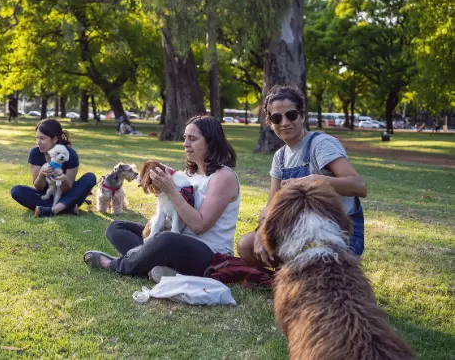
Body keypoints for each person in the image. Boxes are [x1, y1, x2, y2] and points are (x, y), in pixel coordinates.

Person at [83, 114, 241, 279]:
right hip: (176, 240)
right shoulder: (190, 173)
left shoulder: (223, 177)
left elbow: (199, 226)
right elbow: (168, 210)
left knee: (166, 240)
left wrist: (172, 191)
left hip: (209, 253)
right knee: (116, 228)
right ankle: (155, 265)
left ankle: (116, 264)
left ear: (210, 142)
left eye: (192, 139)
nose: (185, 144)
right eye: (185, 138)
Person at [236, 85, 367, 268]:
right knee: (246, 246)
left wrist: (313, 181)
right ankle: (288, 274)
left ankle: (302, 272)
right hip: (299, 230)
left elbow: (359, 186)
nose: (284, 122)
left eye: (291, 115)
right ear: (269, 122)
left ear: (302, 116)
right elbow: (271, 206)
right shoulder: (280, 157)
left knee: (318, 271)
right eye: (276, 117)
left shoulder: (321, 145)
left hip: (338, 231)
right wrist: (260, 232)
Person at [10, 119, 97, 217]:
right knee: (16, 191)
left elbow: (67, 191)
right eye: (37, 138)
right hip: (46, 195)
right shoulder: (35, 153)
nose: (38, 142)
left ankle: (53, 210)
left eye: (42, 138)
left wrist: (64, 180)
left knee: (90, 177)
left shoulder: (70, 154)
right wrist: (41, 175)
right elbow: (38, 187)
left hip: (67, 196)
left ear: (55, 139)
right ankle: (68, 207)